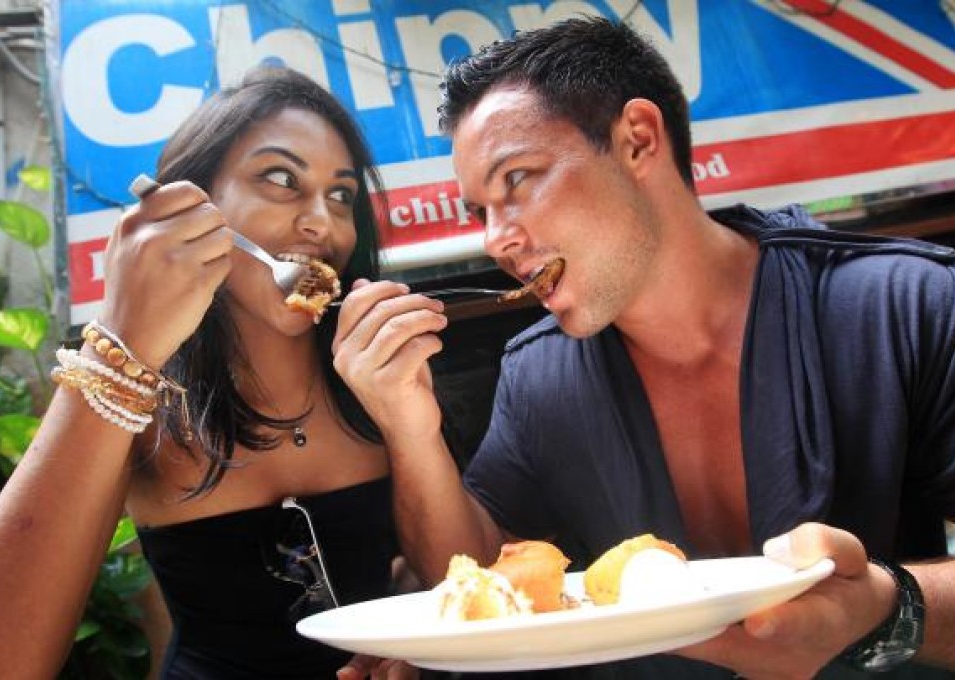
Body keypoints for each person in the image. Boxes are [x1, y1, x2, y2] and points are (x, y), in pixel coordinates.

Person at [331, 16, 955, 679]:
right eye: (480, 211)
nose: (494, 240)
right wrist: (409, 426)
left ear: (637, 139)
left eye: (516, 180)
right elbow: (483, 582)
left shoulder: (905, 304)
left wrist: (887, 609)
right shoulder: (539, 374)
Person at [0, 66, 415, 679]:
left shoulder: (378, 373)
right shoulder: (138, 390)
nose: (322, 221)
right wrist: (122, 342)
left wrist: (416, 640)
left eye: (341, 194)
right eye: (280, 179)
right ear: (197, 205)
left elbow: (450, 568)